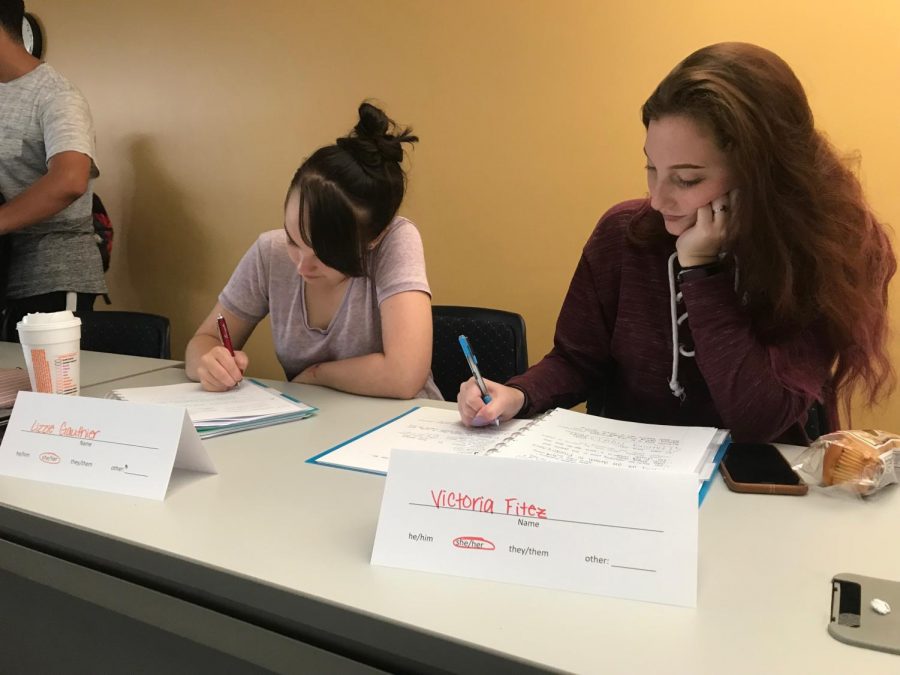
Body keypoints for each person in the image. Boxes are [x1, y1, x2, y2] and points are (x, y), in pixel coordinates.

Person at [458, 42, 895, 444]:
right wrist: (517, 394)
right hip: (632, 469)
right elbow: (577, 361)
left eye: (687, 179)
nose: (658, 199)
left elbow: (758, 419)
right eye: (652, 168)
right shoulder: (624, 233)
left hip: (754, 488)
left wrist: (701, 271)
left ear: (764, 175)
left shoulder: (829, 249)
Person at [186, 102, 442, 400]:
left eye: (325, 254)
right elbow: (204, 340)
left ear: (374, 238)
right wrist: (209, 364)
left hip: (400, 426)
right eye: (294, 240)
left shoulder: (396, 239)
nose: (302, 267)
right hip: (314, 426)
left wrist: (315, 374)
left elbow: (403, 376)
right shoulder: (270, 251)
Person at [0, 0, 106, 336]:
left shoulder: (56, 96)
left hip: (52, 276)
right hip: (6, 272)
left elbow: (70, 179)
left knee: (48, 387)